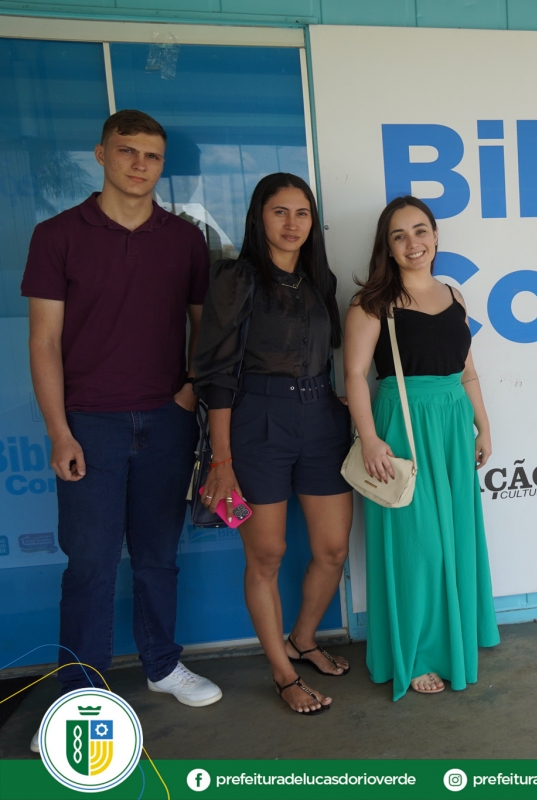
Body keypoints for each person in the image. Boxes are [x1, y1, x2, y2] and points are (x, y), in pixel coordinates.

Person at [22, 109, 223, 749]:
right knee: (90, 565)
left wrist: (187, 392)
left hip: (166, 421)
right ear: (102, 154)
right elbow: (43, 341)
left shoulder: (185, 240)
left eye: (152, 155)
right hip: (90, 425)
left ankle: (162, 665)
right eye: (128, 151)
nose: (140, 164)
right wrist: (59, 431)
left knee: (159, 558)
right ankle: (80, 698)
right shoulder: (56, 235)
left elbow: (204, 330)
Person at [193, 173, 352, 714]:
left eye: (302, 213)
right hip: (256, 422)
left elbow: (330, 353)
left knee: (332, 549)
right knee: (267, 554)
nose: (291, 223)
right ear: (259, 216)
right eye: (279, 211)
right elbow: (217, 375)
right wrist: (222, 460)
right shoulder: (236, 278)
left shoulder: (319, 281)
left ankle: (302, 639)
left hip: (321, 419)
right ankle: (284, 674)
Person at [343, 195, 500, 699]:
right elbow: (354, 374)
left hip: (452, 426)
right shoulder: (372, 303)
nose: (413, 243)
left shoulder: (454, 295)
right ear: (386, 247)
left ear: (435, 236)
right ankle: (416, 655)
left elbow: (467, 371)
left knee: (454, 541)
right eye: (399, 235)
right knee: (419, 548)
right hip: (403, 428)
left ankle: (452, 640)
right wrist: (370, 439)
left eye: (420, 231)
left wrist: (483, 426)